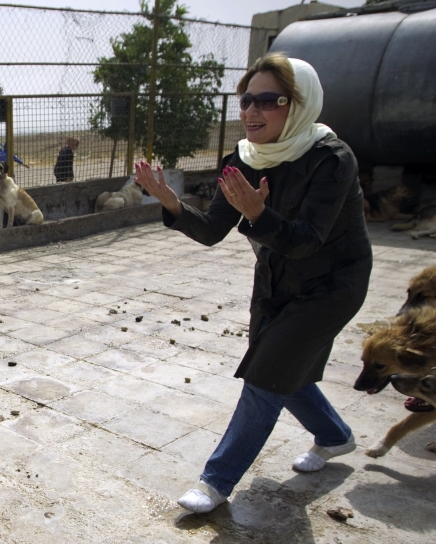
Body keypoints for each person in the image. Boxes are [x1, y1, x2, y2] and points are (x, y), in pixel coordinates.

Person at [134, 53, 372, 514]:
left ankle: (215, 481)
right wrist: (172, 202)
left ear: (299, 105)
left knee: (268, 371)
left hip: (332, 284)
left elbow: (307, 241)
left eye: (269, 100)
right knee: (283, 366)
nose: (251, 112)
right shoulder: (241, 159)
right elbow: (211, 230)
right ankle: (335, 437)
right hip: (277, 280)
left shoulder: (331, 159)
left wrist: (260, 215)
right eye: (247, 100)